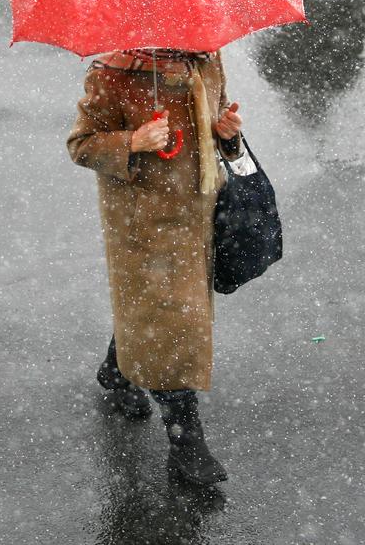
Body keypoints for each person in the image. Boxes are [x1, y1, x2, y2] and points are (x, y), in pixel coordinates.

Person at [67, 48, 244, 486]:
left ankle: (116, 367)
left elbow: (219, 119)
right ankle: (187, 442)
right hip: (144, 225)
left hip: (199, 214)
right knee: (173, 319)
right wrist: (131, 142)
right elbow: (81, 144)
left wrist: (228, 134)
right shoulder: (112, 74)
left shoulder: (205, 60)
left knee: (154, 311)